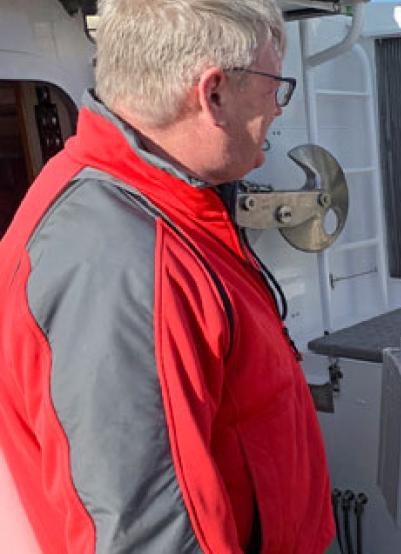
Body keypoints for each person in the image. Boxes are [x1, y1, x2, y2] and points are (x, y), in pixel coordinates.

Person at [0, 1, 334, 552]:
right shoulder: (123, 262)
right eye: (276, 85)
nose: (277, 108)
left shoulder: (160, 210)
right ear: (214, 93)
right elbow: (150, 532)